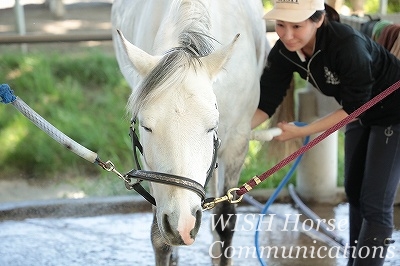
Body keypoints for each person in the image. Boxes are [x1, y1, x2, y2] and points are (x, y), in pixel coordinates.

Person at [252, 0, 400, 265]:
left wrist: (305, 130)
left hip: (393, 112)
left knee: (375, 203)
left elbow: (354, 109)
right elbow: (265, 104)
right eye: (281, 24)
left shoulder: (347, 45)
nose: (286, 34)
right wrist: (230, 131)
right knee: (354, 192)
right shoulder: (285, 51)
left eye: (296, 26)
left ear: (318, 20)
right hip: (361, 111)